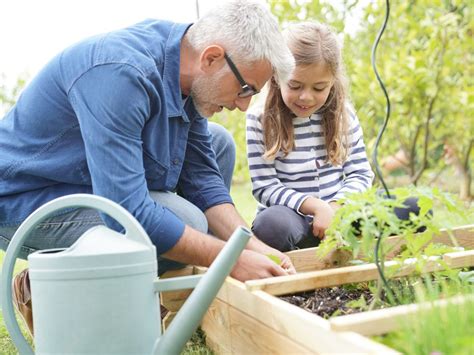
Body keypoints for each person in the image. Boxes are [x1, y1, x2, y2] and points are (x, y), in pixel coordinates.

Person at [0, 0, 298, 335]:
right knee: (189, 221)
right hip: (24, 200)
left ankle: (156, 290)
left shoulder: (187, 71)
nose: (243, 106)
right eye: (245, 90)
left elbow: (201, 179)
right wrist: (230, 260)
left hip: (90, 184)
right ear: (211, 58)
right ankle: (48, 284)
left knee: (219, 143)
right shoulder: (120, 73)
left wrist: (252, 247)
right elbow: (126, 211)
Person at [246, 21, 375, 252]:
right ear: (277, 76)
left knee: (410, 207)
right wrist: (314, 207)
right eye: (295, 86)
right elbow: (264, 187)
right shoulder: (260, 119)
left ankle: (354, 247)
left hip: (340, 217)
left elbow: (360, 173)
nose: (306, 97)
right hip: (295, 224)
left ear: (332, 82)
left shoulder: (343, 114)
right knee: (270, 225)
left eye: (319, 88)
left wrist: (334, 208)